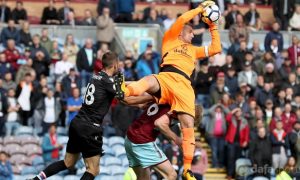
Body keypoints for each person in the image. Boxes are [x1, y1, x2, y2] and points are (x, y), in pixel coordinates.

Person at [114, 1, 221, 179]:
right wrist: (199, 10)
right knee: (149, 80)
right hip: (167, 77)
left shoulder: (194, 51)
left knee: (186, 125)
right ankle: (124, 90)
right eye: (191, 32)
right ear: (181, 32)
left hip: (180, 86)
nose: (193, 35)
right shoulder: (170, 41)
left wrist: (213, 26)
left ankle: (187, 169)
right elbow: (182, 19)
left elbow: (216, 48)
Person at [31, 52, 124, 180]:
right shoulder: (107, 82)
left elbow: (112, 87)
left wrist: (118, 83)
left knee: (68, 162)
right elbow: (122, 96)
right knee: (93, 170)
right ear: (115, 65)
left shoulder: (95, 77)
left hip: (77, 123)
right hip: (90, 127)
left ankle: (36, 179)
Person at [125, 103, 180, 180]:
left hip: (130, 137)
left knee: (143, 178)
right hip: (142, 141)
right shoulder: (174, 109)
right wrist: (178, 140)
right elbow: (159, 123)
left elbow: (141, 104)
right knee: (171, 175)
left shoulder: (161, 99)